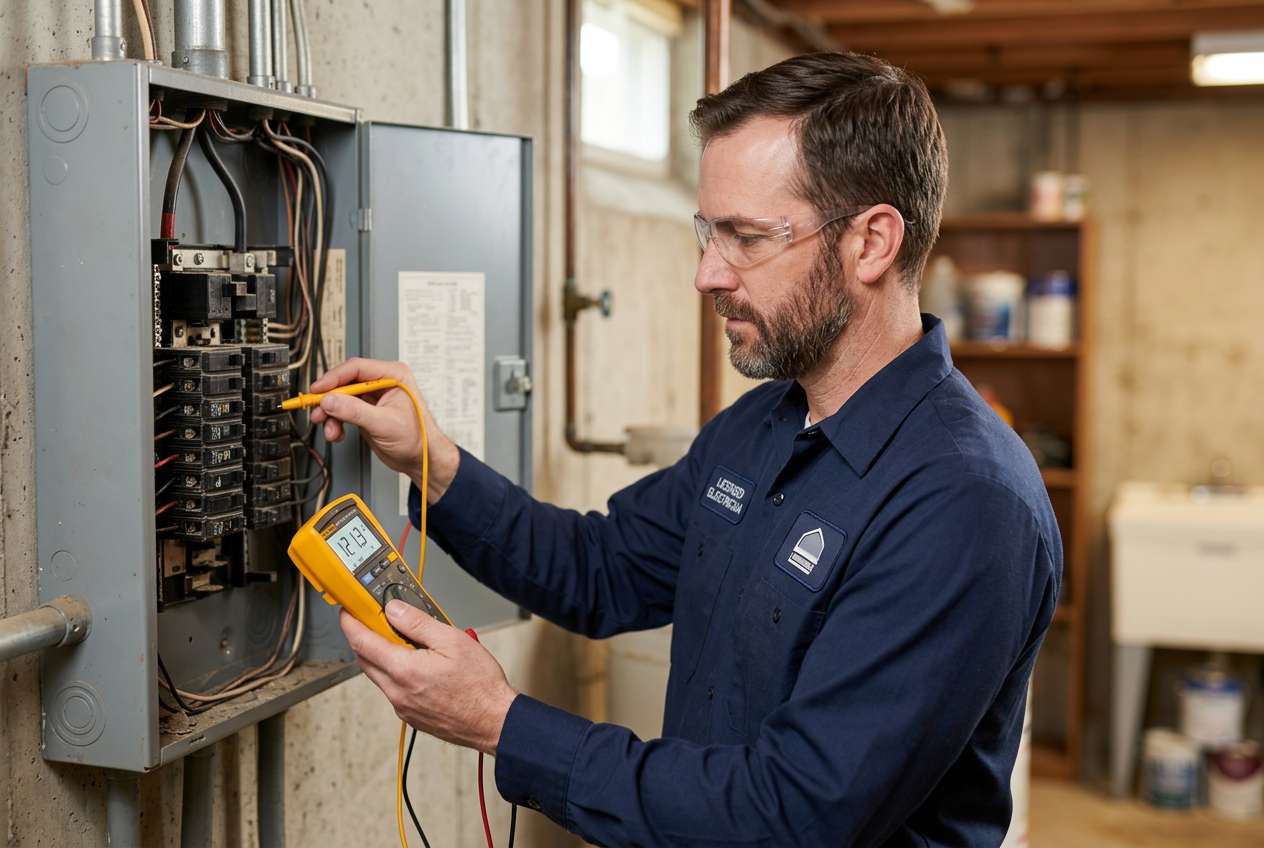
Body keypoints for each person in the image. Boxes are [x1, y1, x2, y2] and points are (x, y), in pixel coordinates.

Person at [310, 51, 1061, 847]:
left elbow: (794, 816)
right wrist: (432, 462)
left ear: (871, 242)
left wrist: (502, 722)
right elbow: (602, 569)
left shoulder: (965, 504)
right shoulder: (761, 427)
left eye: (745, 237)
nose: (707, 275)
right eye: (708, 233)